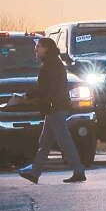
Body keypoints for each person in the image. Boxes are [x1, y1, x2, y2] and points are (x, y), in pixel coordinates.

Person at [18, 37, 87, 184]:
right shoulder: (53, 63)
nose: (36, 50)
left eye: (39, 47)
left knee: (64, 141)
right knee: (45, 141)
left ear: (47, 48)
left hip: (55, 107)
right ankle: (34, 172)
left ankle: (79, 171)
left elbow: (44, 89)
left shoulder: (51, 65)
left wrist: (27, 96)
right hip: (53, 108)